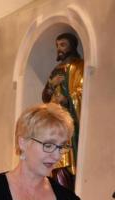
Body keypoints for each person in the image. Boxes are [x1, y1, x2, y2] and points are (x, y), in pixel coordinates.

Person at [42, 32, 84, 189]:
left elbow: (82, 92)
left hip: (69, 127)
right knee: (55, 166)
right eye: (57, 45)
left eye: (63, 45)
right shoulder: (55, 70)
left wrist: (67, 101)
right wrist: (52, 85)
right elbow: (45, 97)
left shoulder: (79, 66)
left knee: (64, 167)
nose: (59, 49)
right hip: (55, 123)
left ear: (72, 46)